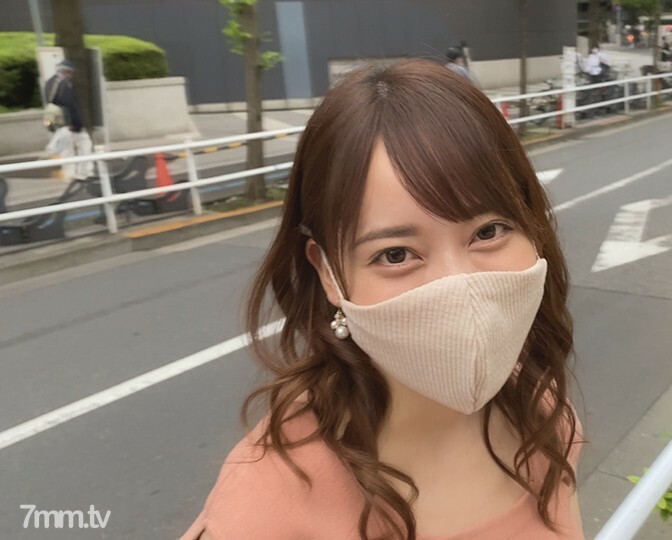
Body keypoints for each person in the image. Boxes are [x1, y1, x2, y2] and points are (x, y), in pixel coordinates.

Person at [180, 59, 584, 540]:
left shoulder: (541, 411)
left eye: (489, 231)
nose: (459, 284)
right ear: (327, 272)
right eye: (395, 254)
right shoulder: (265, 503)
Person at [43, 60, 94, 179]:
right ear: (67, 71)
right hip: (68, 122)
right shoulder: (65, 83)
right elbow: (70, 105)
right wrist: (77, 124)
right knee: (85, 143)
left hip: (57, 121)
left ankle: (69, 174)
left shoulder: (49, 83)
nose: (72, 75)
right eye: (71, 73)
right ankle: (85, 171)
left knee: (66, 150)